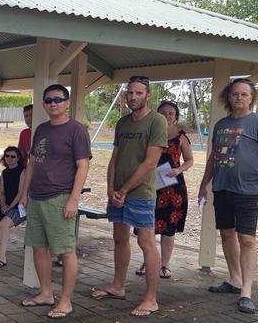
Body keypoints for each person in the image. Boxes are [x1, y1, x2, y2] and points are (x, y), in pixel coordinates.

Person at [91, 76, 167, 318]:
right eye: (130, 93)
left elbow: (151, 162)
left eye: (138, 93)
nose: (133, 97)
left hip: (141, 193)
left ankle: (151, 298)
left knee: (146, 243)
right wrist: (112, 187)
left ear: (148, 95)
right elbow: (114, 158)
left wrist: (124, 191)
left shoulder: (157, 121)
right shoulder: (123, 123)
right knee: (119, 239)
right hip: (118, 193)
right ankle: (118, 286)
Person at [18, 84, 91, 319]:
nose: (53, 103)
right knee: (39, 248)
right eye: (48, 100)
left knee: (65, 251)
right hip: (37, 198)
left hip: (60, 197)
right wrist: (24, 192)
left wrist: (73, 199)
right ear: (43, 104)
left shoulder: (76, 130)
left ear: (67, 102)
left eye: (58, 99)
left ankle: (66, 301)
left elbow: (83, 165)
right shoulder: (40, 129)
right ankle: (46, 293)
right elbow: (31, 163)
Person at [198, 78, 258, 314]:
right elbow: (214, 157)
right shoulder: (221, 124)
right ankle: (234, 280)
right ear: (229, 96)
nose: (239, 98)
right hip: (222, 188)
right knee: (226, 234)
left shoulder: (256, 122)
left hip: (248, 189)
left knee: (247, 240)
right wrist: (204, 184)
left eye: (244, 94)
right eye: (235, 94)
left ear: (251, 98)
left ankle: (246, 291)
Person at [135, 100, 193, 279]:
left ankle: (164, 265)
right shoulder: (149, 132)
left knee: (168, 229)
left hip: (172, 188)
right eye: (163, 112)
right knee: (146, 226)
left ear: (176, 116)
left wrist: (178, 170)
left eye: (171, 113)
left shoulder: (181, 136)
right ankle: (149, 260)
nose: (167, 116)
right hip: (148, 185)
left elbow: (189, 160)